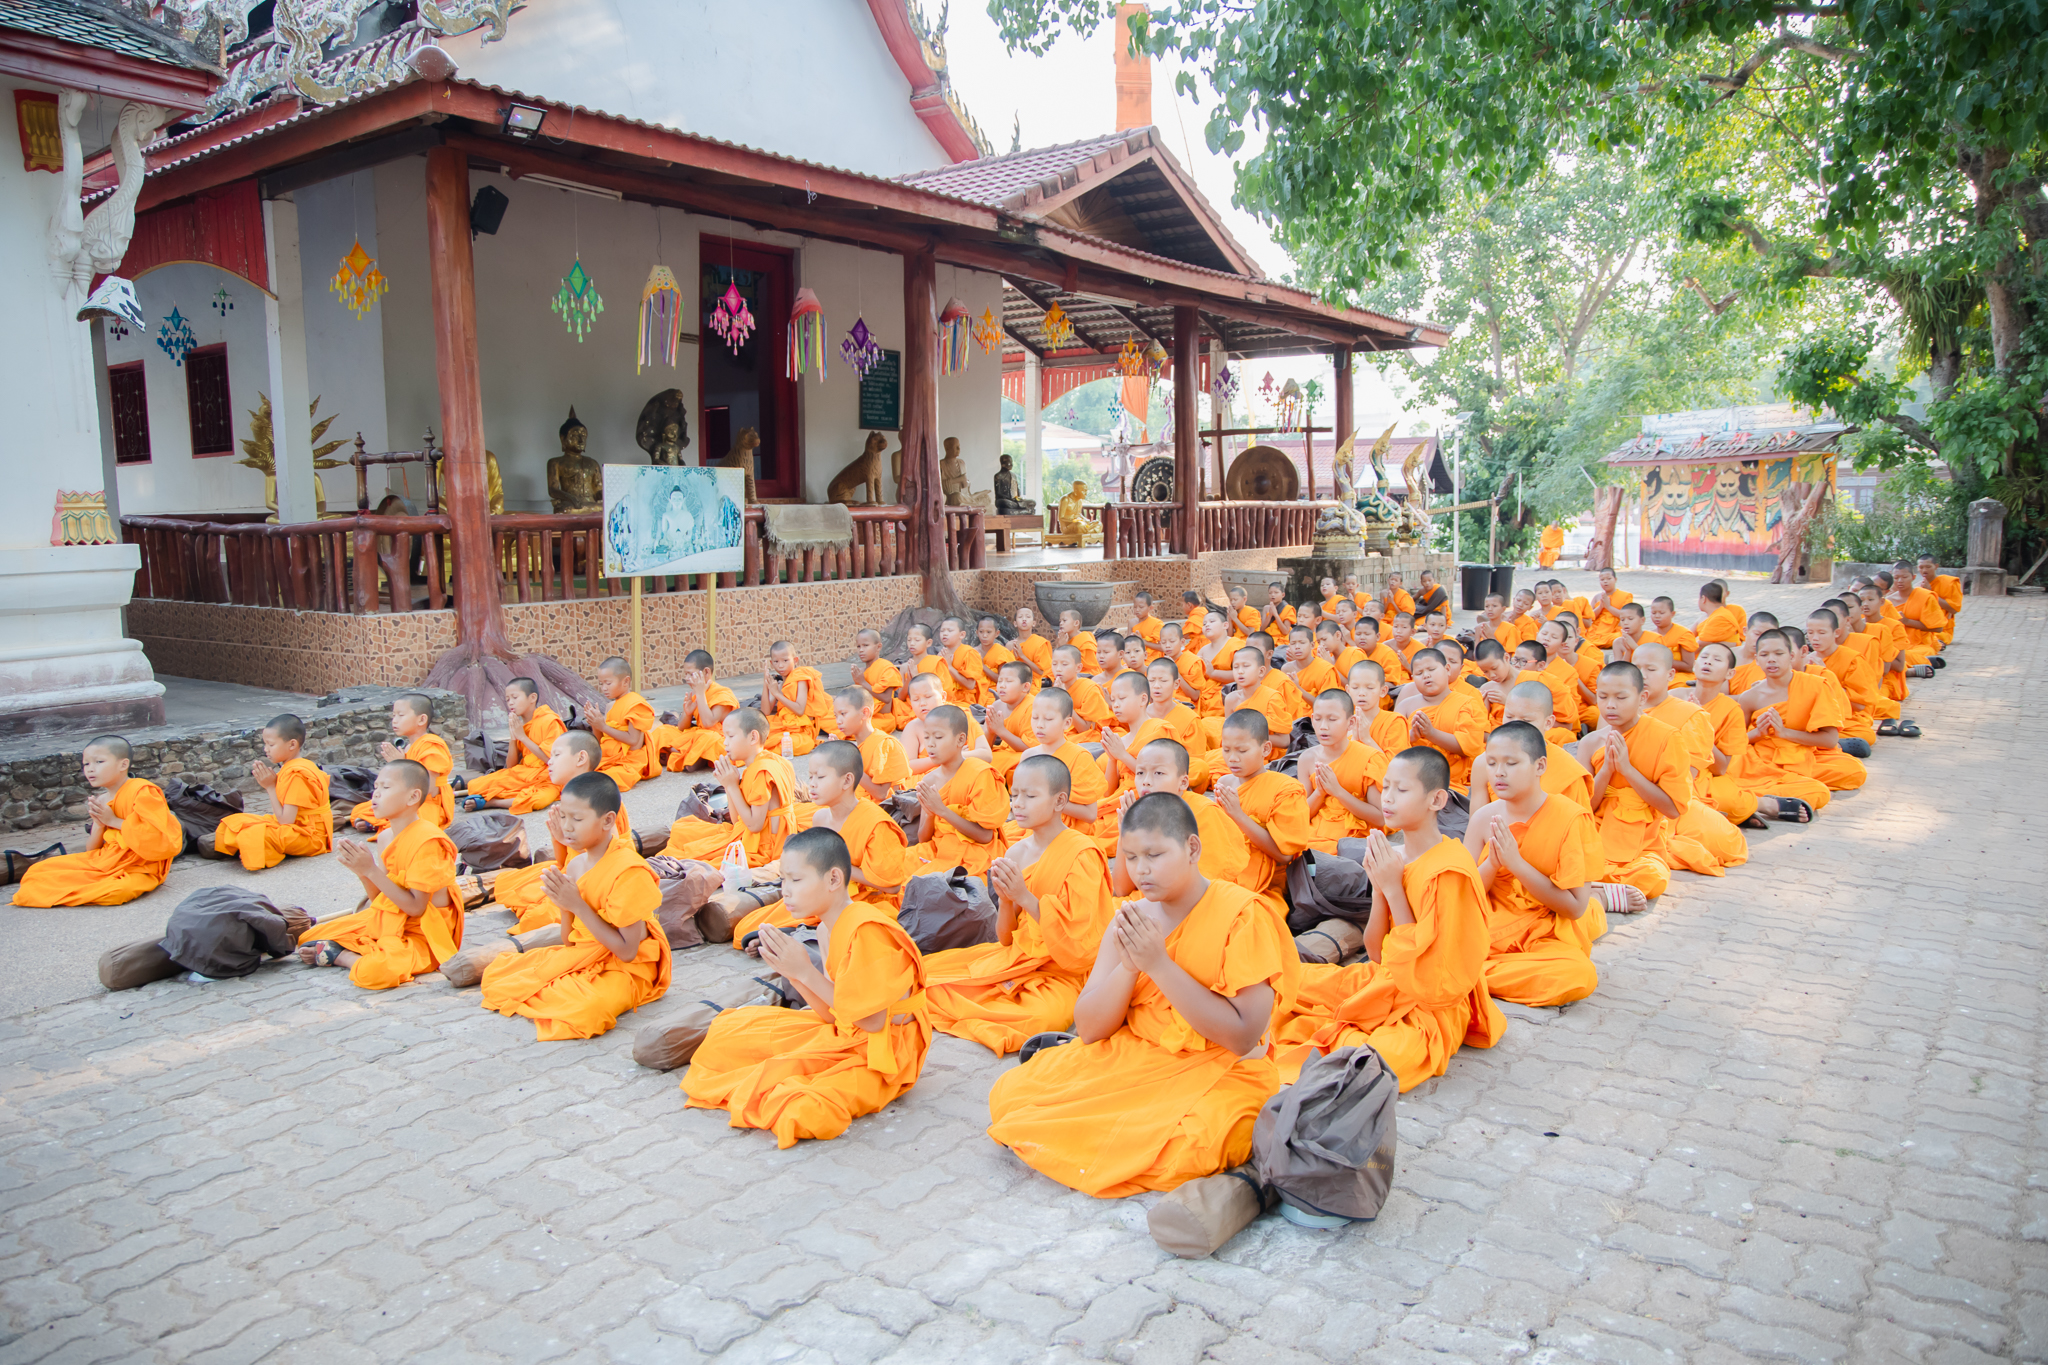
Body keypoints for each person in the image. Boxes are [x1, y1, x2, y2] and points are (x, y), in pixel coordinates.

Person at [986, 792, 1296, 1196]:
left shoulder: (1241, 915)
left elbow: (1242, 1036)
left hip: (1220, 1068)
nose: (1141, 870)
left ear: (1192, 848)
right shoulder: (1130, 919)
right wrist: (1131, 966)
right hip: (1137, 1056)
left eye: (1154, 855)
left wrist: (1158, 965)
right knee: (1015, 1093)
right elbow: (1091, 1029)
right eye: (1130, 857)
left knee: (1196, 1141)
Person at [1268, 748, 1505, 1091]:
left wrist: (1393, 889)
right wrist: (1380, 887)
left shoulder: (1449, 869)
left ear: (1437, 799)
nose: (1388, 798)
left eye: (1402, 790)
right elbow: (1377, 954)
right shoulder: (1394, 858)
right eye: (1387, 787)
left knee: (1372, 1061)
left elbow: (1436, 979)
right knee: (1287, 980)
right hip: (1384, 979)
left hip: (1429, 1009)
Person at [682, 827, 931, 1148]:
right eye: (783, 880)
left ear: (833, 880)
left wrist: (804, 970)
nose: (785, 891)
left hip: (886, 1052)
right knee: (728, 1031)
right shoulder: (828, 930)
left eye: (796, 881)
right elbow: (832, 1015)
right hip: (849, 1032)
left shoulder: (867, 931)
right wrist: (792, 971)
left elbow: (872, 1021)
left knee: (802, 1108)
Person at [924, 755, 1117, 1055]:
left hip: (1063, 972)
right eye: (1014, 795)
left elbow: (1080, 946)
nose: (1018, 804)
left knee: (1039, 1018)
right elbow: (1004, 939)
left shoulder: (1082, 854)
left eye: (1030, 795)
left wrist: (1025, 897)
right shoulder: (1016, 853)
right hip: (1019, 957)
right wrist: (1005, 899)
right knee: (931, 979)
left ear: (1059, 800)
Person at [478, 773, 670, 1040]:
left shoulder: (629, 871)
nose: (567, 827)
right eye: (563, 816)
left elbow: (627, 951)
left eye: (577, 819)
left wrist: (577, 905)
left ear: (607, 821)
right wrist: (564, 905)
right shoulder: (577, 864)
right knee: (501, 975)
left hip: (628, 968)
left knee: (588, 1010)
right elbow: (570, 942)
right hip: (586, 955)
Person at [295, 759, 461, 990]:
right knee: (310, 936)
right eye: (375, 787)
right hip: (391, 919)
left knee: (378, 971)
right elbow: (380, 900)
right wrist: (363, 873)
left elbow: (416, 909)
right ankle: (364, 948)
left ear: (413, 797)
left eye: (386, 788)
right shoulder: (385, 838)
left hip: (424, 934)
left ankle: (342, 956)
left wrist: (371, 870)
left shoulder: (428, 842)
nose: (376, 795)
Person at [734, 741, 911, 942]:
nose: (813, 784)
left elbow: (891, 887)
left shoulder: (876, 824)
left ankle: (794, 936)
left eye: (820, 777)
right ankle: (791, 933)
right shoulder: (820, 818)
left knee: (858, 931)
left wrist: (839, 868)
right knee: (745, 930)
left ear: (846, 781)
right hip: (829, 893)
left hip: (869, 901)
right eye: (810, 777)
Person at [12, 736, 182, 907]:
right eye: (86, 764)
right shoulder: (101, 800)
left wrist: (114, 821)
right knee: (38, 871)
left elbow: (159, 842)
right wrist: (99, 824)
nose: (90, 769)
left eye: (99, 762)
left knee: (116, 892)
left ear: (123, 764)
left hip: (141, 866)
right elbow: (92, 850)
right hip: (105, 861)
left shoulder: (142, 792)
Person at [1573, 662, 1687, 911]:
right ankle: (1608, 893)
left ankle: (1595, 893)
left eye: (1621, 697)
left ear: (1642, 697)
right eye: (1603, 697)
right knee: (1564, 860)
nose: (1610, 705)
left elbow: (1673, 809)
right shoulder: (1591, 742)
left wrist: (1627, 770)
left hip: (1644, 836)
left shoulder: (1666, 737)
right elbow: (1585, 806)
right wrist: (1606, 771)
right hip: (1597, 829)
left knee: (1652, 876)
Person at [489, 732, 631, 931]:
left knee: (539, 915)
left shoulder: (600, 798)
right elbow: (564, 861)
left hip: (598, 880)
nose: (549, 761)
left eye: (556, 755)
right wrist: (561, 839)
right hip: (576, 870)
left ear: (581, 758)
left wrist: (566, 840)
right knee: (510, 884)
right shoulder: (567, 796)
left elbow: (610, 859)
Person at [1635, 643, 1748, 876]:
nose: (1642, 675)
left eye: (1650, 669)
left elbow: (1701, 771)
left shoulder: (1689, 713)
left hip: (1671, 796)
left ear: (1670, 674)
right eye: (1637, 668)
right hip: (1623, 799)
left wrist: (1697, 721)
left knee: (1728, 842)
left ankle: (1764, 804)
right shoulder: (1618, 707)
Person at [1685, 643, 1821, 824]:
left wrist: (1700, 727)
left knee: (1720, 796)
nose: (1708, 662)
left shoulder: (1731, 709)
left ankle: (1758, 804)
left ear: (1730, 674)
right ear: (1695, 665)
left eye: (1716, 659)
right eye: (1704, 657)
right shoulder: (1672, 696)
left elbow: (1720, 768)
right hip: (1672, 772)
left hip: (1708, 774)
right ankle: (1746, 808)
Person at [1105, 740, 1249, 893]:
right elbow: (1121, 890)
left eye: (1158, 773)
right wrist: (1125, 833)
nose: (1146, 782)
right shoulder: (1142, 815)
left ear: (1183, 783)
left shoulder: (1203, 813)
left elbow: (1205, 888)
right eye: (1140, 773)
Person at [660, 708, 797, 867]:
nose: (725, 742)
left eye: (730, 736)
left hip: (766, 848)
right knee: (683, 829)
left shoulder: (763, 771)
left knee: (688, 853)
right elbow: (736, 820)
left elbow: (754, 825)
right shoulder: (768, 762)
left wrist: (732, 786)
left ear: (753, 737)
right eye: (725, 737)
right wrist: (729, 784)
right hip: (754, 836)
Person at [1737, 628, 1867, 795]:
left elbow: (1830, 740)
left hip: (1806, 753)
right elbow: (1737, 742)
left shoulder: (1816, 686)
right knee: (1735, 764)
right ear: (1756, 660)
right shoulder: (1749, 697)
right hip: (1764, 758)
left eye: (1778, 654)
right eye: (1764, 655)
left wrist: (1784, 733)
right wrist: (1758, 733)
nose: (1771, 660)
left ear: (1791, 656)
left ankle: (1776, 787)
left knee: (1854, 771)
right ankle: (1787, 786)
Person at [1210, 710, 1310, 906]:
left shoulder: (1286, 790)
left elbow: (1284, 855)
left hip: (1264, 882)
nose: (1232, 758)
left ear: (1265, 749)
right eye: (1227, 749)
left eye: (1242, 750)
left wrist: (1238, 815)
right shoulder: (1224, 782)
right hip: (1222, 867)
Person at [209, 714, 333, 870]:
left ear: (292, 744)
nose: (265, 749)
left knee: (252, 834)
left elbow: (285, 821)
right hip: (296, 827)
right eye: (265, 744)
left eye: (271, 745)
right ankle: (246, 847)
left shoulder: (297, 775)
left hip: (311, 837)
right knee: (235, 822)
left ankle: (249, 849)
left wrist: (270, 787)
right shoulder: (294, 766)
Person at [905, 705, 1008, 877]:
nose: (930, 743)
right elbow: (923, 838)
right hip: (938, 850)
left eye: (938, 737)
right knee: (893, 869)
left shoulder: (979, 774)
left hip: (975, 853)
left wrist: (943, 811)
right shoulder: (929, 780)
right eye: (927, 737)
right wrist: (930, 814)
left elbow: (985, 836)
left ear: (961, 740)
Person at [349, 693, 455, 830]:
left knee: (417, 822)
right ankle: (381, 822)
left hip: (428, 803)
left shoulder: (432, 746)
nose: (394, 720)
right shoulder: (409, 747)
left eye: (401, 715)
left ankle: (380, 823)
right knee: (362, 809)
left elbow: (430, 789)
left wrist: (402, 765)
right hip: (408, 800)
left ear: (422, 719)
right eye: (394, 715)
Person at [1300, 689, 1388, 850]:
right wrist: (1320, 792)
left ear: (1351, 722)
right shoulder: (1307, 759)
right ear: (1312, 720)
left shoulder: (1370, 758)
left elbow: (1380, 818)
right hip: (1314, 834)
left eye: (1332, 719)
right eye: (1318, 719)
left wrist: (1338, 792)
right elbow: (1301, 816)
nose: (1323, 727)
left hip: (1353, 840)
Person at [1013, 688, 1109, 835]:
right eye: (1035, 717)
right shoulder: (1028, 756)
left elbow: (1090, 815)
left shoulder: (1079, 757)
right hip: (1035, 827)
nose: (1039, 725)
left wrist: (1049, 802)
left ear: (1067, 723)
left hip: (1068, 831)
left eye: (1048, 719)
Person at [460, 681, 567, 809]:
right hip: (523, 774)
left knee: (538, 800)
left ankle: (490, 802)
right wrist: (513, 737)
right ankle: (497, 797)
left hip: (548, 778)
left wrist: (522, 736)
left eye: (515, 698)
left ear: (532, 698)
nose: (510, 702)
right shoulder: (520, 725)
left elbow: (551, 760)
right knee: (476, 785)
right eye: (507, 699)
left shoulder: (549, 721)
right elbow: (511, 766)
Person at [1400, 648, 1487, 793]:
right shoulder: (1405, 705)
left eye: (1432, 669)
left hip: (1452, 781)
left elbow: (1471, 746)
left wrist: (1431, 733)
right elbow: (1392, 744)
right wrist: (1412, 737)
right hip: (1412, 777)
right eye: (1419, 673)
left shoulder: (1466, 703)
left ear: (1447, 669)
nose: (1426, 675)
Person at [1502, 682, 1594, 808]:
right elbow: (1478, 822)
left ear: (1548, 722)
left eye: (1527, 721)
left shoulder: (1569, 773)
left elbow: (1577, 825)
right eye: (1509, 716)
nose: (1515, 726)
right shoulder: (1486, 763)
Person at [1805, 608, 1882, 757]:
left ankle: (1822, 742)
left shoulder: (1852, 659)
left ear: (1836, 633)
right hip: (1816, 717)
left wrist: (1827, 677)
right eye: (1810, 633)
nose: (1815, 638)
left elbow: (1860, 705)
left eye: (1821, 633)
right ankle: (1826, 743)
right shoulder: (1806, 659)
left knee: (1866, 735)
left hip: (1846, 719)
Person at [652, 652, 736, 772]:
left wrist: (701, 694)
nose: (687, 679)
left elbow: (708, 723)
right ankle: (690, 755)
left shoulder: (722, 694)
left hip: (718, 740)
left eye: (690, 674)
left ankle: (679, 753)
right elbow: (681, 728)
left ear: (706, 672)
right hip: (697, 736)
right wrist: (687, 712)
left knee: (709, 738)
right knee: (663, 731)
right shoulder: (696, 694)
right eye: (685, 674)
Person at [831, 687, 912, 801]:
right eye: (836, 715)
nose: (838, 721)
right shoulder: (858, 748)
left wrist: (848, 762)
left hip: (879, 811)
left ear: (865, 713)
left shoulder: (884, 744)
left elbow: (881, 794)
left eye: (843, 714)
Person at [590, 659, 658, 792]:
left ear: (626, 681)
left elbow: (633, 741)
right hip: (607, 758)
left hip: (629, 763)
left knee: (603, 780)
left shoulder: (636, 704)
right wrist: (595, 724)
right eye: (601, 684)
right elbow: (600, 741)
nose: (604, 688)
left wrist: (603, 726)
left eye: (608, 683)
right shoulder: (610, 706)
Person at [761, 641, 834, 757]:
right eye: (776, 661)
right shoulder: (778, 685)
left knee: (798, 744)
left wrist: (777, 694)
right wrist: (766, 684)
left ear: (795, 660)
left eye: (785, 660)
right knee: (758, 730)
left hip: (801, 731)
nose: (780, 665)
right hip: (783, 726)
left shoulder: (800, 678)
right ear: (771, 663)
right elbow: (765, 712)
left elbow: (800, 709)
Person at [984, 661, 1039, 783]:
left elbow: (1031, 749)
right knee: (977, 760)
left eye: (1008, 681)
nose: (1002, 686)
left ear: (1025, 687)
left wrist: (1001, 731)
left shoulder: (1033, 707)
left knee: (1021, 771)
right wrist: (990, 731)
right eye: (1000, 681)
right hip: (1004, 753)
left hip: (1024, 755)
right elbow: (985, 746)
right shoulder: (997, 706)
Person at [1047, 645, 1113, 743]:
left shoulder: (1090, 689)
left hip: (1083, 736)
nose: (1058, 669)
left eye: (1064, 664)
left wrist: (1064, 699)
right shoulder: (1055, 688)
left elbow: (1085, 729)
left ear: (1078, 668)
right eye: (1054, 664)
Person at [853, 629, 907, 732]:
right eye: (858, 646)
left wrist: (863, 683)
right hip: (864, 715)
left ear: (878, 647)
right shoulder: (861, 672)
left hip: (882, 719)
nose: (861, 650)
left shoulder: (886, 668)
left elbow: (886, 698)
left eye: (865, 645)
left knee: (854, 725)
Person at [933, 616, 986, 709]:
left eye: (950, 631)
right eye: (942, 631)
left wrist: (949, 667)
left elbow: (970, 685)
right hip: (944, 698)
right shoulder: (941, 654)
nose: (945, 634)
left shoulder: (969, 653)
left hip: (964, 701)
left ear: (962, 635)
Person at [1584, 568, 1631, 648]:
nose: (1605, 581)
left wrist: (1608, 607)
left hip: (1614, 630)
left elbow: (1626, 616)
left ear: (1615, 579)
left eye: (1609, 579)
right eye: (1602, 579)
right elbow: (1590, 617)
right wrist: (1600, 607)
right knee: (1583, 637)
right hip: (1597, 630)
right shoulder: (1597, 597)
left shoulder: (1625, 596)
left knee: (1619, 638)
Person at [976, 616, 1017, 706]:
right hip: (975, 693)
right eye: (981, 632)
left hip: (996, 694)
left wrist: (982, 666)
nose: (985, 635)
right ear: (977, 633)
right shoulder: (972, 652)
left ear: (997, 633)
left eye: (989, 632)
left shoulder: (1001, 652)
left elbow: (1002, 679)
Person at [1695, 580, 1744, 648]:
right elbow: (1688, 636)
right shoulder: (1705, 616)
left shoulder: (1721, 617)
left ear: (1703, 599)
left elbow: (1699, 645)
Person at [1012, 607, 1055, 680]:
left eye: (1028, 616)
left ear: (1034, 623)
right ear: (1015, 623)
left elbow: (1042, 672)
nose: (1024, 619)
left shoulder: (1040, 643)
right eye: (1020, 617)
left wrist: (1022, 656)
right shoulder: (1010, 645)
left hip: (1036, 685)